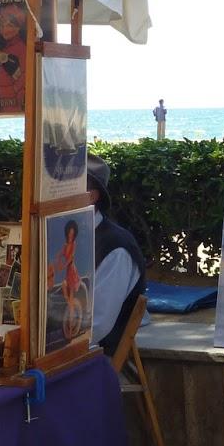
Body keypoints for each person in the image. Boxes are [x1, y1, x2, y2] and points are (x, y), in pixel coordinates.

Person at [84, 154, 146, 359]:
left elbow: (97, 325)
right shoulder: (70, 235)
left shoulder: (116, 248)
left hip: (94, 354)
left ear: (91, 197)